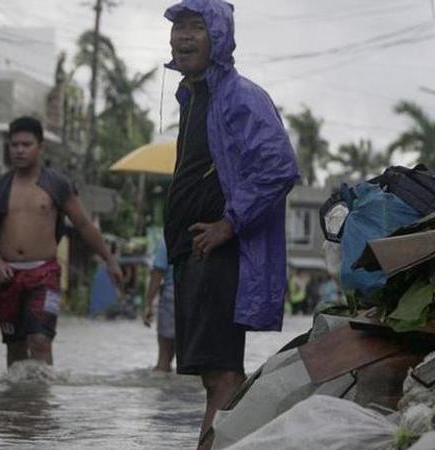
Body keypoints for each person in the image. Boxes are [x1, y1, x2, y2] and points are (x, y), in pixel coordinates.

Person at [163, 1, 299, 448]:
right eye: (178, 27)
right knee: (215, 376)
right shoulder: (194, 96)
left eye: (195, 27)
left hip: (218, 253)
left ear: (218, 37)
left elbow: (279, 166)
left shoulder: (239, 96)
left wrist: (227, 224)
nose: (182, 36)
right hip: (195, 253)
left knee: (221, 376)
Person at [0, 117, 123, 367]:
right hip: (8, 277)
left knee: (40, 340)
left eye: (27, 144)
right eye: (14, 145)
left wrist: (110, 260)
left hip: (44, 275)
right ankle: (13, 403)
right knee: (15, 345)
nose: (20, 150)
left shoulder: (56, 184)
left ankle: (41, 401)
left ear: (41, 147)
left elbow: (84, 225)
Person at [143, 238, 175, 372]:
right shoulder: (205, 234)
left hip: (171, 298)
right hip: (199, 298)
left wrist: (148, 304)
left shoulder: (168, 240)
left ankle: (164, 391)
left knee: (164, 360)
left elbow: (157, 274)